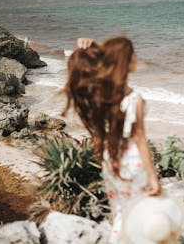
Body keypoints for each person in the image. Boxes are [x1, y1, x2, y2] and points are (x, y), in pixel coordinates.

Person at [63, 36, 161, 244]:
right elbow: (140, 139)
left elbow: (86, 71)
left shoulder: (103, 96)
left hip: (112, 160)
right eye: (132, 53)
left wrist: (94, 48)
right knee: (139, 216)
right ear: (125, 60)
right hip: (133, 162)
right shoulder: (134, 99)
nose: (136, 57)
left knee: (121, 212)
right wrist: (153, 176)